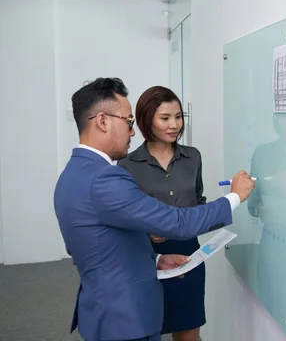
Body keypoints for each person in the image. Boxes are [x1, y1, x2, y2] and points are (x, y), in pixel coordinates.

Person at [53, 78, 255, 341]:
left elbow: (109, 243)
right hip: (125, 316)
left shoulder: (74, 173)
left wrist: (158, 260)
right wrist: (235, 196)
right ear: (103, 121)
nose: (132, 131)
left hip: (110, 305)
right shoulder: (106, 178)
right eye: (128, 122)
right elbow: (179, 222)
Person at [117, 86, 206, 341]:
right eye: (165, 118)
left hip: (189, 252)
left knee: (189, 328)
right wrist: (147, 231)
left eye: (178, 117)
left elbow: (198, 200)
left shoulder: (193, 157)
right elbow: (123, 216)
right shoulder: (127, 165)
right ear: (147, 120)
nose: (174, 124)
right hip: (148, 256)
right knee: (148, 328)